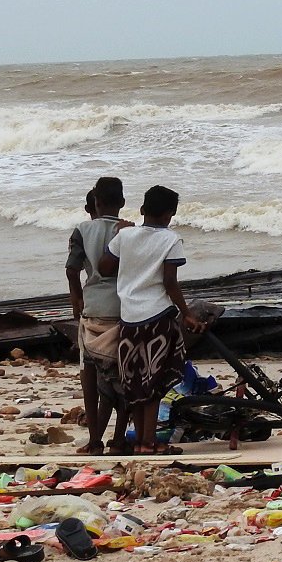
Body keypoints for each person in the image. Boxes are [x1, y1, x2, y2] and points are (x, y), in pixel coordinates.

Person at [99, 185, 197, 454]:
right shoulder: (171, 240)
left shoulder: (125, 236)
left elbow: (104, 268)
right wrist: (187, 313)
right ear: (171, 213)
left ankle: (142, 441)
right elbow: (170, 283)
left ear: (142, 210)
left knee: (136, 383)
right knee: (154, 384)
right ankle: (148, 442)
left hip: (129, 317)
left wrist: (121, 244)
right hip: (158, 317)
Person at [64, 177, 129, 455]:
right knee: (122, 378)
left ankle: (94, 440)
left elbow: (72, 269)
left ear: (96, 202)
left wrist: (76, 297)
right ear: (123, 203)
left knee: (89, 377)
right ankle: (118, 438)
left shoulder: (82, 229)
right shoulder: (127, 230)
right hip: (123, 308)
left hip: (92, 310)